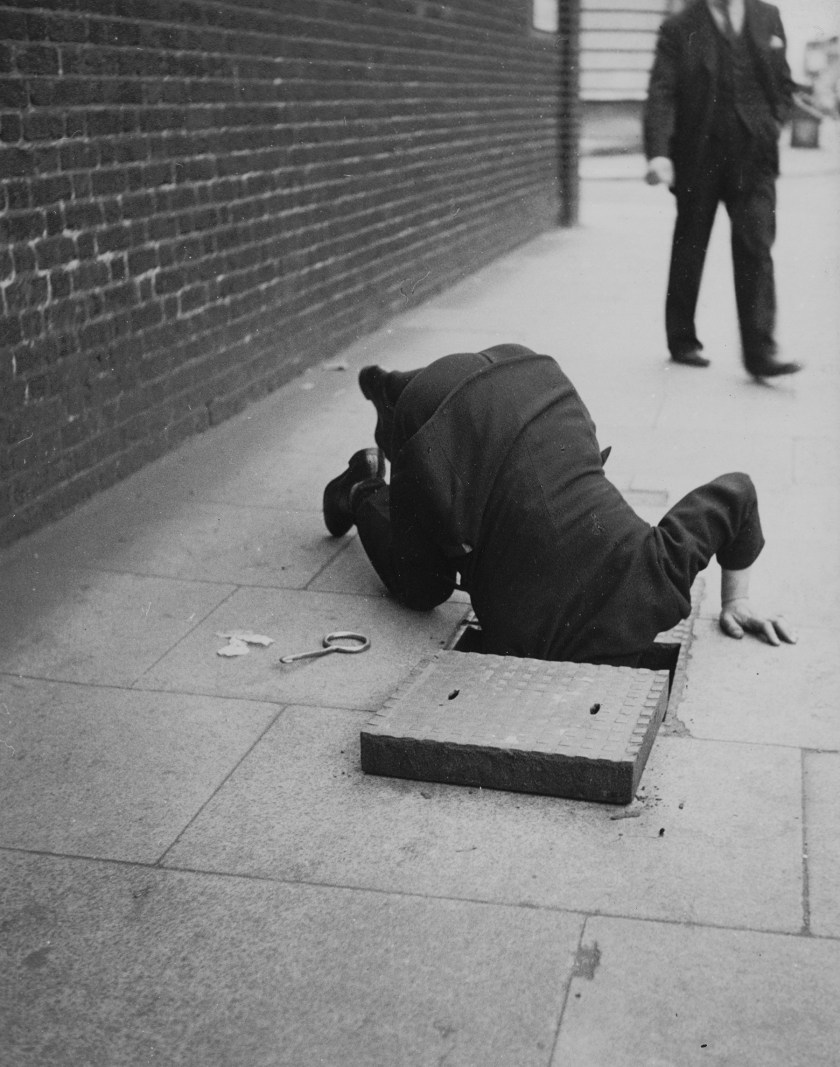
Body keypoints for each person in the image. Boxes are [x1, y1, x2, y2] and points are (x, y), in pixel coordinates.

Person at [322, 344, 796, 665]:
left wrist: (738, 598)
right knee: (423, 589)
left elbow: (737, 491)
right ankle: (362, 486)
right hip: (439, 423)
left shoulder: (660, 572)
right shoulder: (523, 639)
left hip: (531, 375)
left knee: (510, 439)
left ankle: (396, 389)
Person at [643, 0, 802, 380]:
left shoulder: (767, 16)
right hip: (700, 154)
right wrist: (659, 154)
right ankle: (682, 339)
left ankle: (760, 351)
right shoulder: (679, 27)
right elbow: (661, 91)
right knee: (691, 243)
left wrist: (773, 121)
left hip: (754, 153)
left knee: (756, 243)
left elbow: (782, 81)